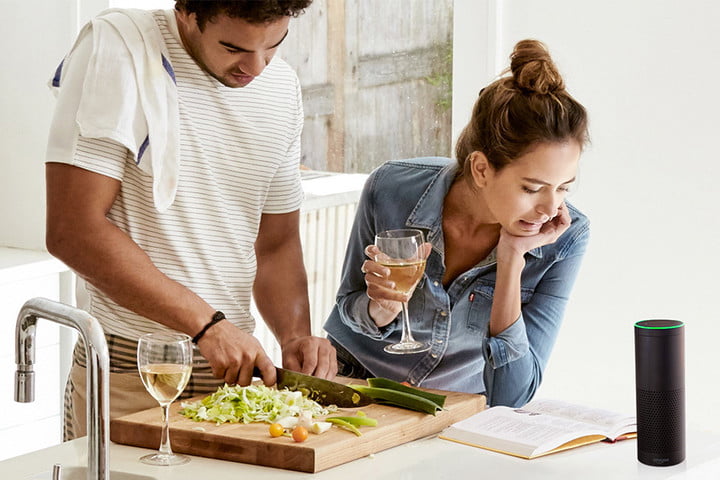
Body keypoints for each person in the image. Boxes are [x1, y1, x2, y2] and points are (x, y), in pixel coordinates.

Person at [45, 0, 336, 440]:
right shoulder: (119, 49)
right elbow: (73, 230)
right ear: (186, 13)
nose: (256, 67)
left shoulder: (282, 87)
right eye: (234, 47)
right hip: (133, 373)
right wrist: (206, 325)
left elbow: (274, 244)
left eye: (274, 45)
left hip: (234, 383)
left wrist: (295, 337)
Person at [324, 39, 590, 408]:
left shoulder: (565, 238)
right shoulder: (391, 189)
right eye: (532, 188)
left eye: (563, 188)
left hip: (449, 411)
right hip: (352, 387)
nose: (550, 207)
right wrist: (378, 309)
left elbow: (512, 395)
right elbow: (346, 308)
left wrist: (511, 259)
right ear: (482, 169)